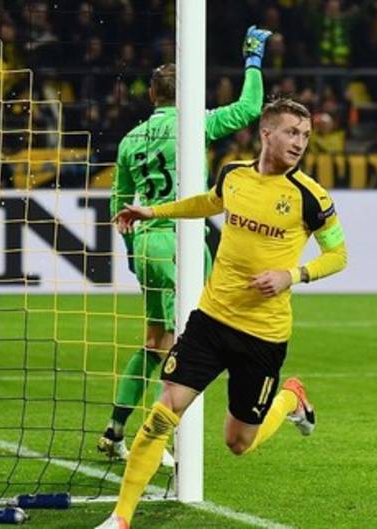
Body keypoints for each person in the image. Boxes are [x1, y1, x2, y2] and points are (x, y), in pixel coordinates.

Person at [96, 97, 348, 529]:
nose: (300, 142)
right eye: (291, 132)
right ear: (266, 133)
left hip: (263, 334)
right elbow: (207, 203)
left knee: (238, 442)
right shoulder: (233, 175)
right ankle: (121, 518)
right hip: (211, 321)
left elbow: (338, 255)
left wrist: (293, 275)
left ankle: (291, 398)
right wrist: (151, 211)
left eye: (305, 135)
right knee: (162, 413)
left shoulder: (311, 197)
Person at [98, 26, 273, 466]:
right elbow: (251, 108)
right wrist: (253, 58)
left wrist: (133, 249)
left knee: (157, 339)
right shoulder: (197, 124)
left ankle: (115, 429)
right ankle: (162, 439)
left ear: (152, 95)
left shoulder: (131, 139)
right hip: (184, 240)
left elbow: (119, 204)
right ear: (188, 93)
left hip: (147, 243)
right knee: (189, 346)